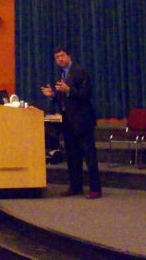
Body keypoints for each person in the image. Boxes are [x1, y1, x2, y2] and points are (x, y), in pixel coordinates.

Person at [41, 47, 101, 199]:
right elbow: (64, 100)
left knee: (89, 156)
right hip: (67, 122)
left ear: (69, 56)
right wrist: (53, 96)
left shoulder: (79, 71)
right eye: (56, 57)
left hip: (82, 121)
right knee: (72, 156)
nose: (59, 59)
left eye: (62, 56)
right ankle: (75, 186)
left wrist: (68, 90)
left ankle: (95, 189)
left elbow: (86, 94)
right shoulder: (62, 74)